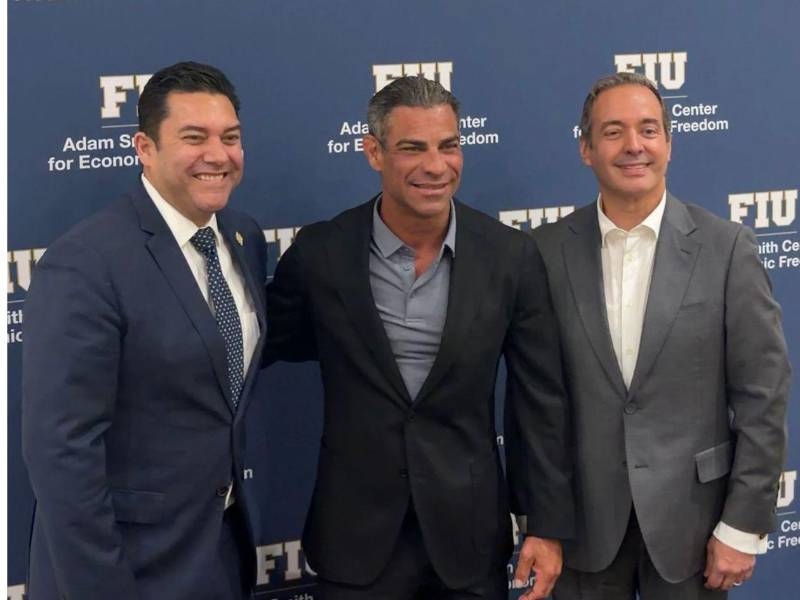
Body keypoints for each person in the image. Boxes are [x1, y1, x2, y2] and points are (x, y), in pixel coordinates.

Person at [266, 75, 574, 600]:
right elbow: (259, 347)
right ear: (374, 152)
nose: (436, 166)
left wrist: (544, 525)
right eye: (413, 148)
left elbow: (540, 399)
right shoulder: (321, 253)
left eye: (448, 146)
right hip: (354, 537)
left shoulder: (510, 257)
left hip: (469, 539)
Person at [528, 71, 790, 599]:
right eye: (613, 131)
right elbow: (533, 403)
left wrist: (743, 525)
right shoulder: (544, 251)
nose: (634, 145)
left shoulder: (727, 248)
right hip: (582, 531)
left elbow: (762, 397)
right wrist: (541, 520)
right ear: (585, 149)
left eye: (648, 130)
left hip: (695, 530)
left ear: (669, 144)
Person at [22, 61, 268, 600]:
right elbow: (62, 452)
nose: (218, 155)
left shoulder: (244, 237)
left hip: (218, 553)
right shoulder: (86, 263)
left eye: (230, 138)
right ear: (144, 148)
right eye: (194, 137)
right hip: (124, 569)